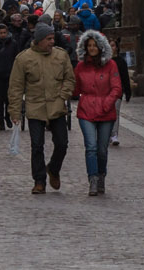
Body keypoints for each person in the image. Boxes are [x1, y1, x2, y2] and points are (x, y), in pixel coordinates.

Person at [7, 23, 76, 194]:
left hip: (56, 106)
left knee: (62, 143)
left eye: (53, 38)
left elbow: (70, 79)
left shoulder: (61, 56)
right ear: (38, 40)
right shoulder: (23, 59)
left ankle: (53, 168)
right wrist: (14, 112)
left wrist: (63, 96)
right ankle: (39, 180)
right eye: (48, 39)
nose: (52, 42)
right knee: (37, 145)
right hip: (35, 107)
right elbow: (15, 87)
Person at [73, 31, 122, 196]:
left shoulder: (111, 65)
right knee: (91, 147)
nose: (92, 48)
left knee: (102, 149)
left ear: (101, 47)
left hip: (105, 111)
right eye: (89, 45)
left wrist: (107, 104)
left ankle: (101, 175)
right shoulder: (80, 66)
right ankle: (92, 178)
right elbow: (75, 88)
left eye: (95, 45)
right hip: (86, 110)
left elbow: (116, 88)